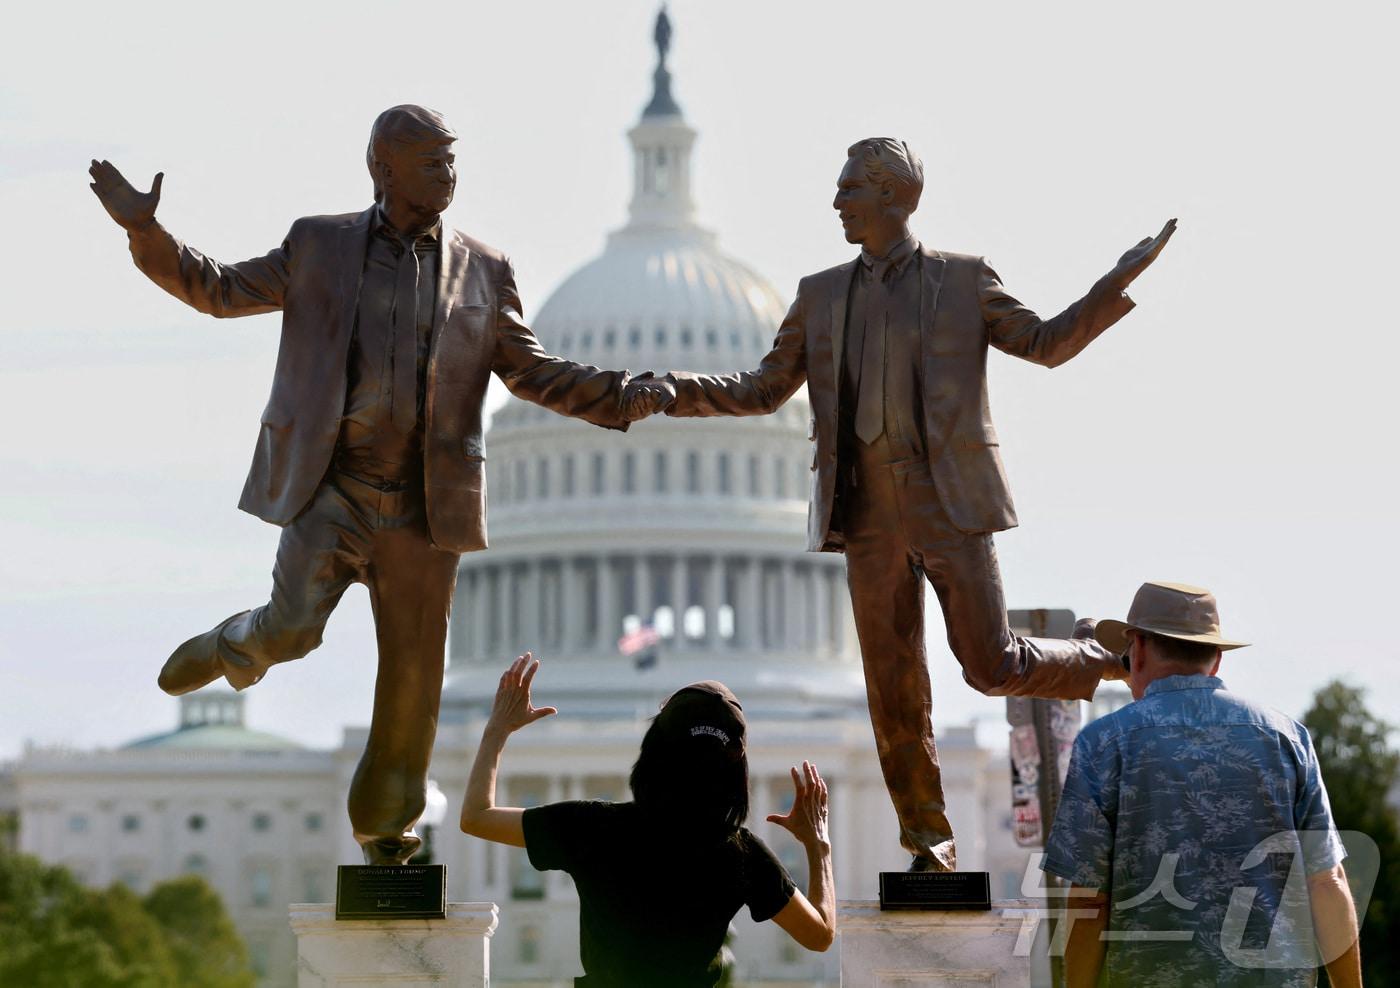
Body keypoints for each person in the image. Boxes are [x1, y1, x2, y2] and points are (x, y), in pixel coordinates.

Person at [88, 105, 639, 864]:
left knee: (414, 676)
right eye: (432, 162)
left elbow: (532, 369)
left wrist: (620, 396)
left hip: (424, 502)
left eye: (453, 160)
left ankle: (387, 822)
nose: (449, 174)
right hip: (333, 484)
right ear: (382, 167)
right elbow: (218, 290)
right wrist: (145, 234)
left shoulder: (484, 267)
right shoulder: (320, 244)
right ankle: (236, 643)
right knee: (294, 629)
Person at [621, 136, 1174, 871]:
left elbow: (1044, 342)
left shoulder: (964, 280)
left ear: (895, 197)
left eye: (851, 189)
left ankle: (1101, 656)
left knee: (990, 665)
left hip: (949, 501)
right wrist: (675, 389)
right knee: (894, 695)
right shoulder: (820, 295)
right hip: (867, 513)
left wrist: (1113, 285)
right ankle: (928, 840)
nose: (837, 202)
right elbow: (760, 389)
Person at [1044, 581, 1362, 987]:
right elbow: (1327, 881)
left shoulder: (1103, 743)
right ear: (1216, 660)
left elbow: (1090, 899)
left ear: (1136, 649)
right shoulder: (1286, 737)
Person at [460, 654, 836, 987]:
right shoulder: (740, 853)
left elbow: (476, 818)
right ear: (734, 770)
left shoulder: (593, 827)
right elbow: (820, 935)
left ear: (654, 750)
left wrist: (497, 730)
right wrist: (818, 845)